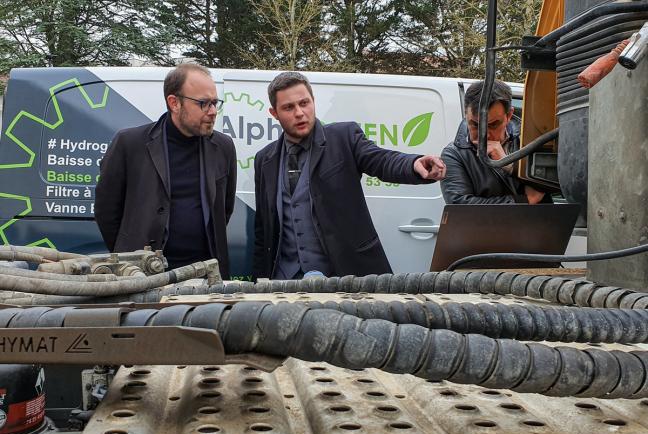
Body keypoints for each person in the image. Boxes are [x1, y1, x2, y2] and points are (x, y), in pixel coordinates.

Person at [253, 71, 446, 280]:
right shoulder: (265, 160)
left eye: (304, 103)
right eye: (289, 107)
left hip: (344, 276)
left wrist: (413, 163)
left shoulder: (343, 138)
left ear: (313, 101)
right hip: (285, 280)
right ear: (274, 113)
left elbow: (381, 160)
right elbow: (263, 230)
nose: (299, 113)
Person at [95, 63, 237, 278]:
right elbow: (106, 211)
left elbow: (224, 209)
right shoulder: (130, 143)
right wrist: (128, 256)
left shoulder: (223, 147)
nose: (213, 111)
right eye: (203, 103)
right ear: (174, 103)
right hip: (144, 275)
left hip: (205, 276)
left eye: (215, 103)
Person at [440, 79, 550, 205]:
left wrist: (508, 165)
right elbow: (460, 205)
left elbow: (556, 182)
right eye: (475, 125)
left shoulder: (532, 141)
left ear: (509, 115)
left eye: (493, 125)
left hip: (538, 224)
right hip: (483, 225)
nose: (484, 134)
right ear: (466, 115)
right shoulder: (454, 154)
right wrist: (524, 201)